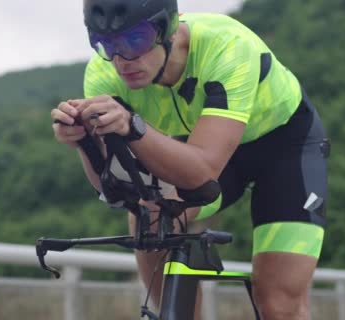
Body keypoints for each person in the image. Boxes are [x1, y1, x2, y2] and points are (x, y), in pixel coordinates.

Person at [50, 0, 330, 319]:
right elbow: (118, 187)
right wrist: (85, 142)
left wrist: (131, 125)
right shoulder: (102, 73)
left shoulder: (228, 47)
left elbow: (202, 173)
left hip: (283, 147)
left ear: (168, 27)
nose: (121, 59)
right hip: (201, 144)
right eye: (106, 44)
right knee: (149, 214)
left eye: (135, 40)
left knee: (278, 304)